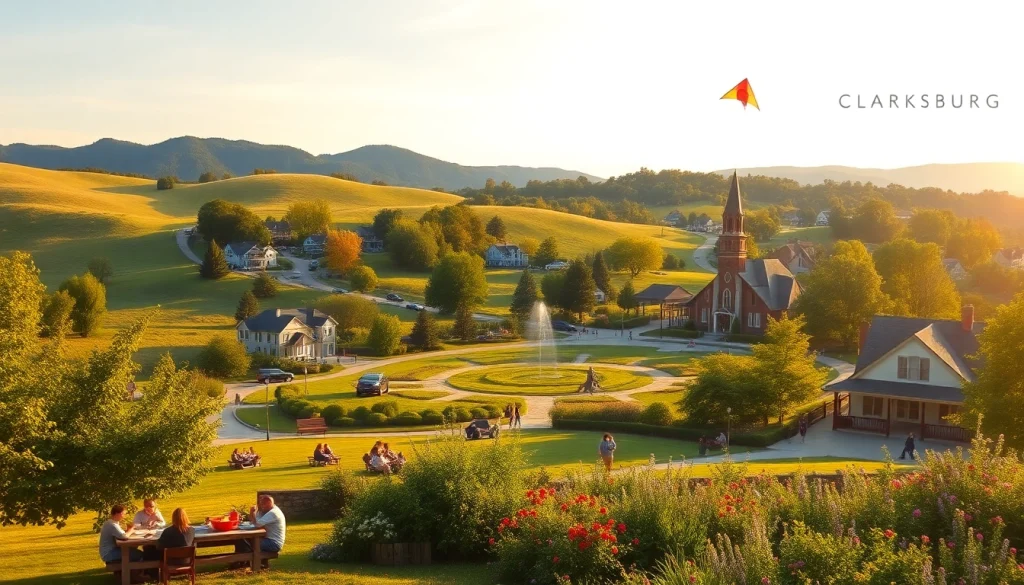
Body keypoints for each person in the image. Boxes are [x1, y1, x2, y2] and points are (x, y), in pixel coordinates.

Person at [235, 495, 286, 563]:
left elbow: (257, 524)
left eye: (262, 504)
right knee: (243, 540)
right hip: (267, 539)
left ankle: (241, 561)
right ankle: (242, 561)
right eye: (260, 503)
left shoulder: (273, 513)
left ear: (268, 503)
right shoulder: (266, 510)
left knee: (244, 541)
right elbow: (253, 521)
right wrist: (253, 513)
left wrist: (253, 513)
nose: (261, 506)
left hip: (273, 543)